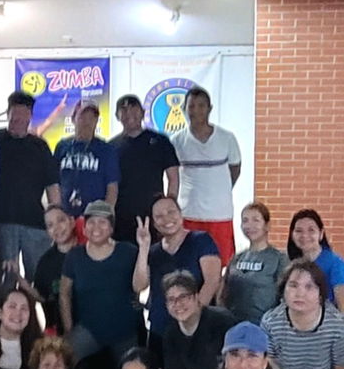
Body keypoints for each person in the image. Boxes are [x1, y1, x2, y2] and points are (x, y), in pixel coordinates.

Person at [60, 202, 150, 369]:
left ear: (111, 228)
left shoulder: (128, 251)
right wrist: (69, 330)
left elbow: (140, 287)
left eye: (102, 222)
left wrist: (144, 248)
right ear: (84, 228)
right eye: (91, 222)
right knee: (61, 362)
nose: (96, 227)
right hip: (87, 329)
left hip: (125, 331)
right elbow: (64, 293)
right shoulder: (74, 256)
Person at [0, 90, 60, 278]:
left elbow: (52, 186)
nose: (18, 117)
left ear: (30, 115)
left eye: (23, 112)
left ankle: (35, 309)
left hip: (34, 224)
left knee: (39, 278)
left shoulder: (40, 146)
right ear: (8, 113)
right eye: (14, 112)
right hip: (0, 222)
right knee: (3, 280)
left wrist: (56, 219)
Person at [169, 86, 242, 265]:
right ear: (184, 110)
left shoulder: (227, 138)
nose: (196, 111)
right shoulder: (177, 141)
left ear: (209, 108)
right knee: (188, 263)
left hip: (220, 214)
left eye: (201, 106)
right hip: (188, 213)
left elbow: (235, 169)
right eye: (191, 106)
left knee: (220, 263)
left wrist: (219, 190)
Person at [146, 195, 222, 344]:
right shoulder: (153, 252)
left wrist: (191, 319)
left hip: (193, 329)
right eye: (159, 216)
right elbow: (140, 285)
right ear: (154, 223)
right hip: (160, 329)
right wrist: (143, 248)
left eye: (171, 212)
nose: (166, 218)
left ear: (180, 214)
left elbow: (212, 281)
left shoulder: (201, 240)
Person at [111, 94, 180, 244]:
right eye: (124, 111)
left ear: (142, 112)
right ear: (118, 116)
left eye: (134, 110)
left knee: (155, 261)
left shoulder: (160, 141)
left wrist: (169, 209)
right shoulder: (111, 147)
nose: (130, 115)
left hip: (154, 216)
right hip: (122, 217)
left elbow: (173, 177)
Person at [222, 202, 285, 325]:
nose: (249, 225)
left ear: (267, 225)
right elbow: (223, 293)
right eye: (245, 220)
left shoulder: (279, 259)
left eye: (256, 220)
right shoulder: (236, 258)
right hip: (233, 326)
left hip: (263, 327)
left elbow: (285, 299)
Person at [55, 99, 120, 218]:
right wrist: (57, 214)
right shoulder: (62, 147)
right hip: (66, 217)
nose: (87, 122)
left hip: (94, 218)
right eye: (83, 117)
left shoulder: (106, 150)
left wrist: (105, 216)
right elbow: (54, 185)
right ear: (73, 119)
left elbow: (112, 188)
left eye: (92, 118)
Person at [285, 209, 344, 311]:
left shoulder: (337, 264)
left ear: (321, 234)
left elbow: (343, 310)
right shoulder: (290, 263)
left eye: (311, 230)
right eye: (299, 231)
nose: (304, 235)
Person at [32, 205, 77, 331]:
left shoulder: (89, 252)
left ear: (72, 222)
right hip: (61, 333)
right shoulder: (45, 263)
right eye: (50, 225)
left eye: (61, 220)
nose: (57, 228)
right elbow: (42, 296)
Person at [0, 284, 41, 369]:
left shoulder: (39, 347)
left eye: (24, 308)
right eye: (12, 306)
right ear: (0, 313)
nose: (18, 313)